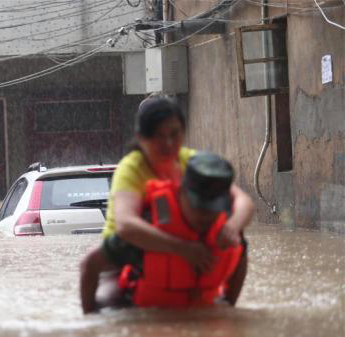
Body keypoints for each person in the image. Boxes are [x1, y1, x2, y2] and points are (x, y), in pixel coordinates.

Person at [79, 97, 255, 314]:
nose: (168, 144)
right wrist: (183, 249)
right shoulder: (131, 169)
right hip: (130, 253)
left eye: (174, 134)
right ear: (141, 138)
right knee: (113, 313)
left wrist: (232, 227)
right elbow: (126, 225)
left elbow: (243, 201)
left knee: (239, 244)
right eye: (158, 136)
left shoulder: (191, 162)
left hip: (188, 241)